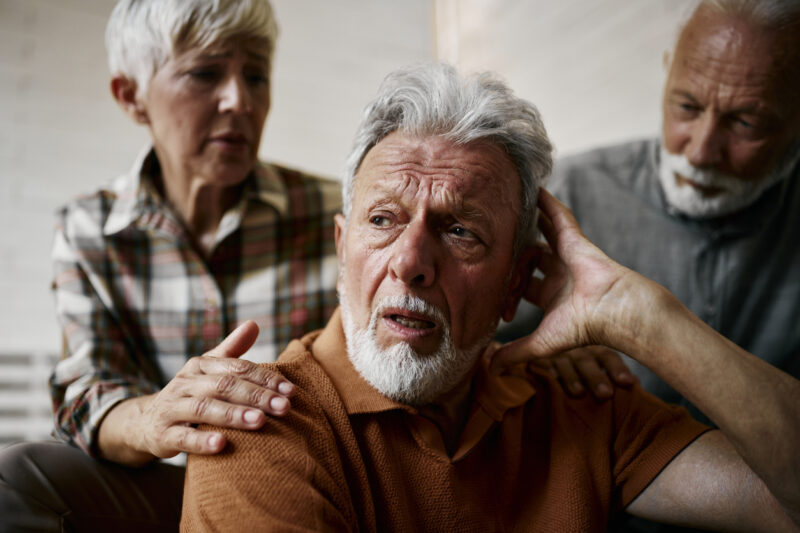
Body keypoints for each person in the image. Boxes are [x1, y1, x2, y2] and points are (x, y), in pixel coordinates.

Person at [180, 63, 800, 532]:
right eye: (383, 220)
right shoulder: (256, 426)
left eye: (460, 231)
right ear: (342, 249)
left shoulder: (577, 403)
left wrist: (638, 316)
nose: (411, 263)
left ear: (516, 282)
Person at [0, 1, 340, 531]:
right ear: (131, 96)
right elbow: (85, 392)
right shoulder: (89, 228)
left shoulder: (334, 213)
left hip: (307, 481)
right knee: (18, 475)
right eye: (205, 73)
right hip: (165, 489)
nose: (239, 100)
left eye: (256, 75)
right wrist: (155, 419)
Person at [500, 0, 800, 413]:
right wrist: (534, 365)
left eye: (746, 123)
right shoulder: (566, 193)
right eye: (687, 107)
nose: (700, 151)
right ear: (667, 71)